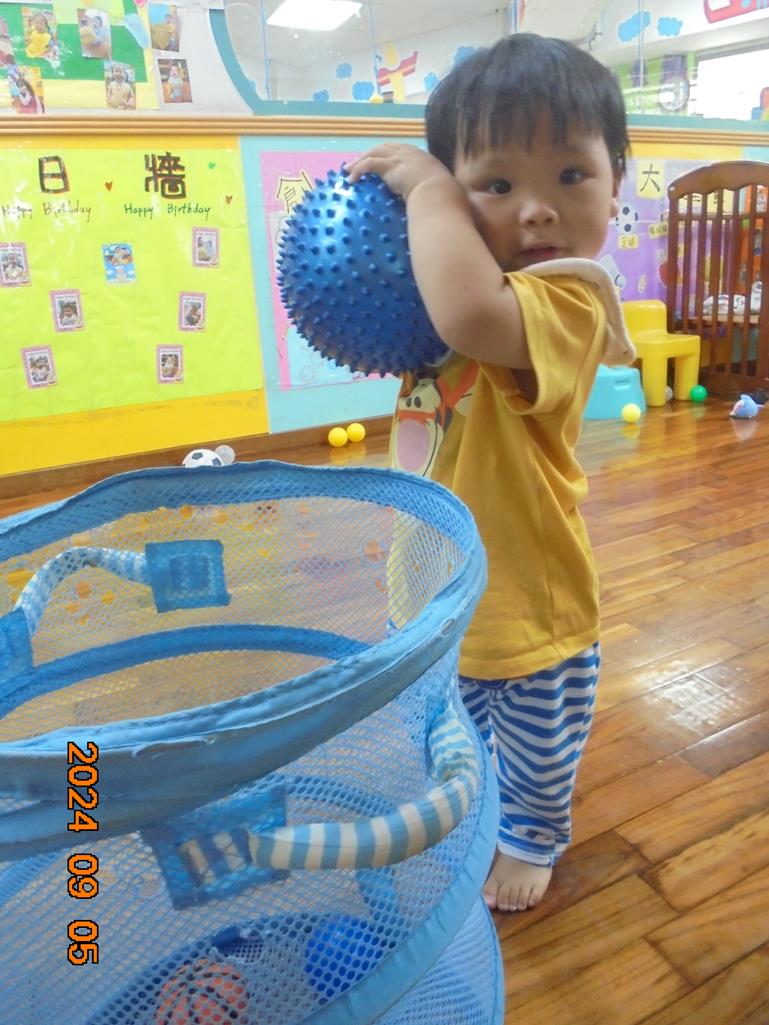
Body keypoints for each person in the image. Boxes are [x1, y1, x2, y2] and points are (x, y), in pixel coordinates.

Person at [345, 33, 635, 913]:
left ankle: (532, 833)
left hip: (529, 598)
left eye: (570, 176)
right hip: (435, 581)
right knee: (443, 732)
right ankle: (465, 810)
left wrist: (432, 190)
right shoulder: (439, 285)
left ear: (615, 183)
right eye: (496, 185)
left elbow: (472, 314)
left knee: (538, 747)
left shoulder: (572, 301)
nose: (536, 211)